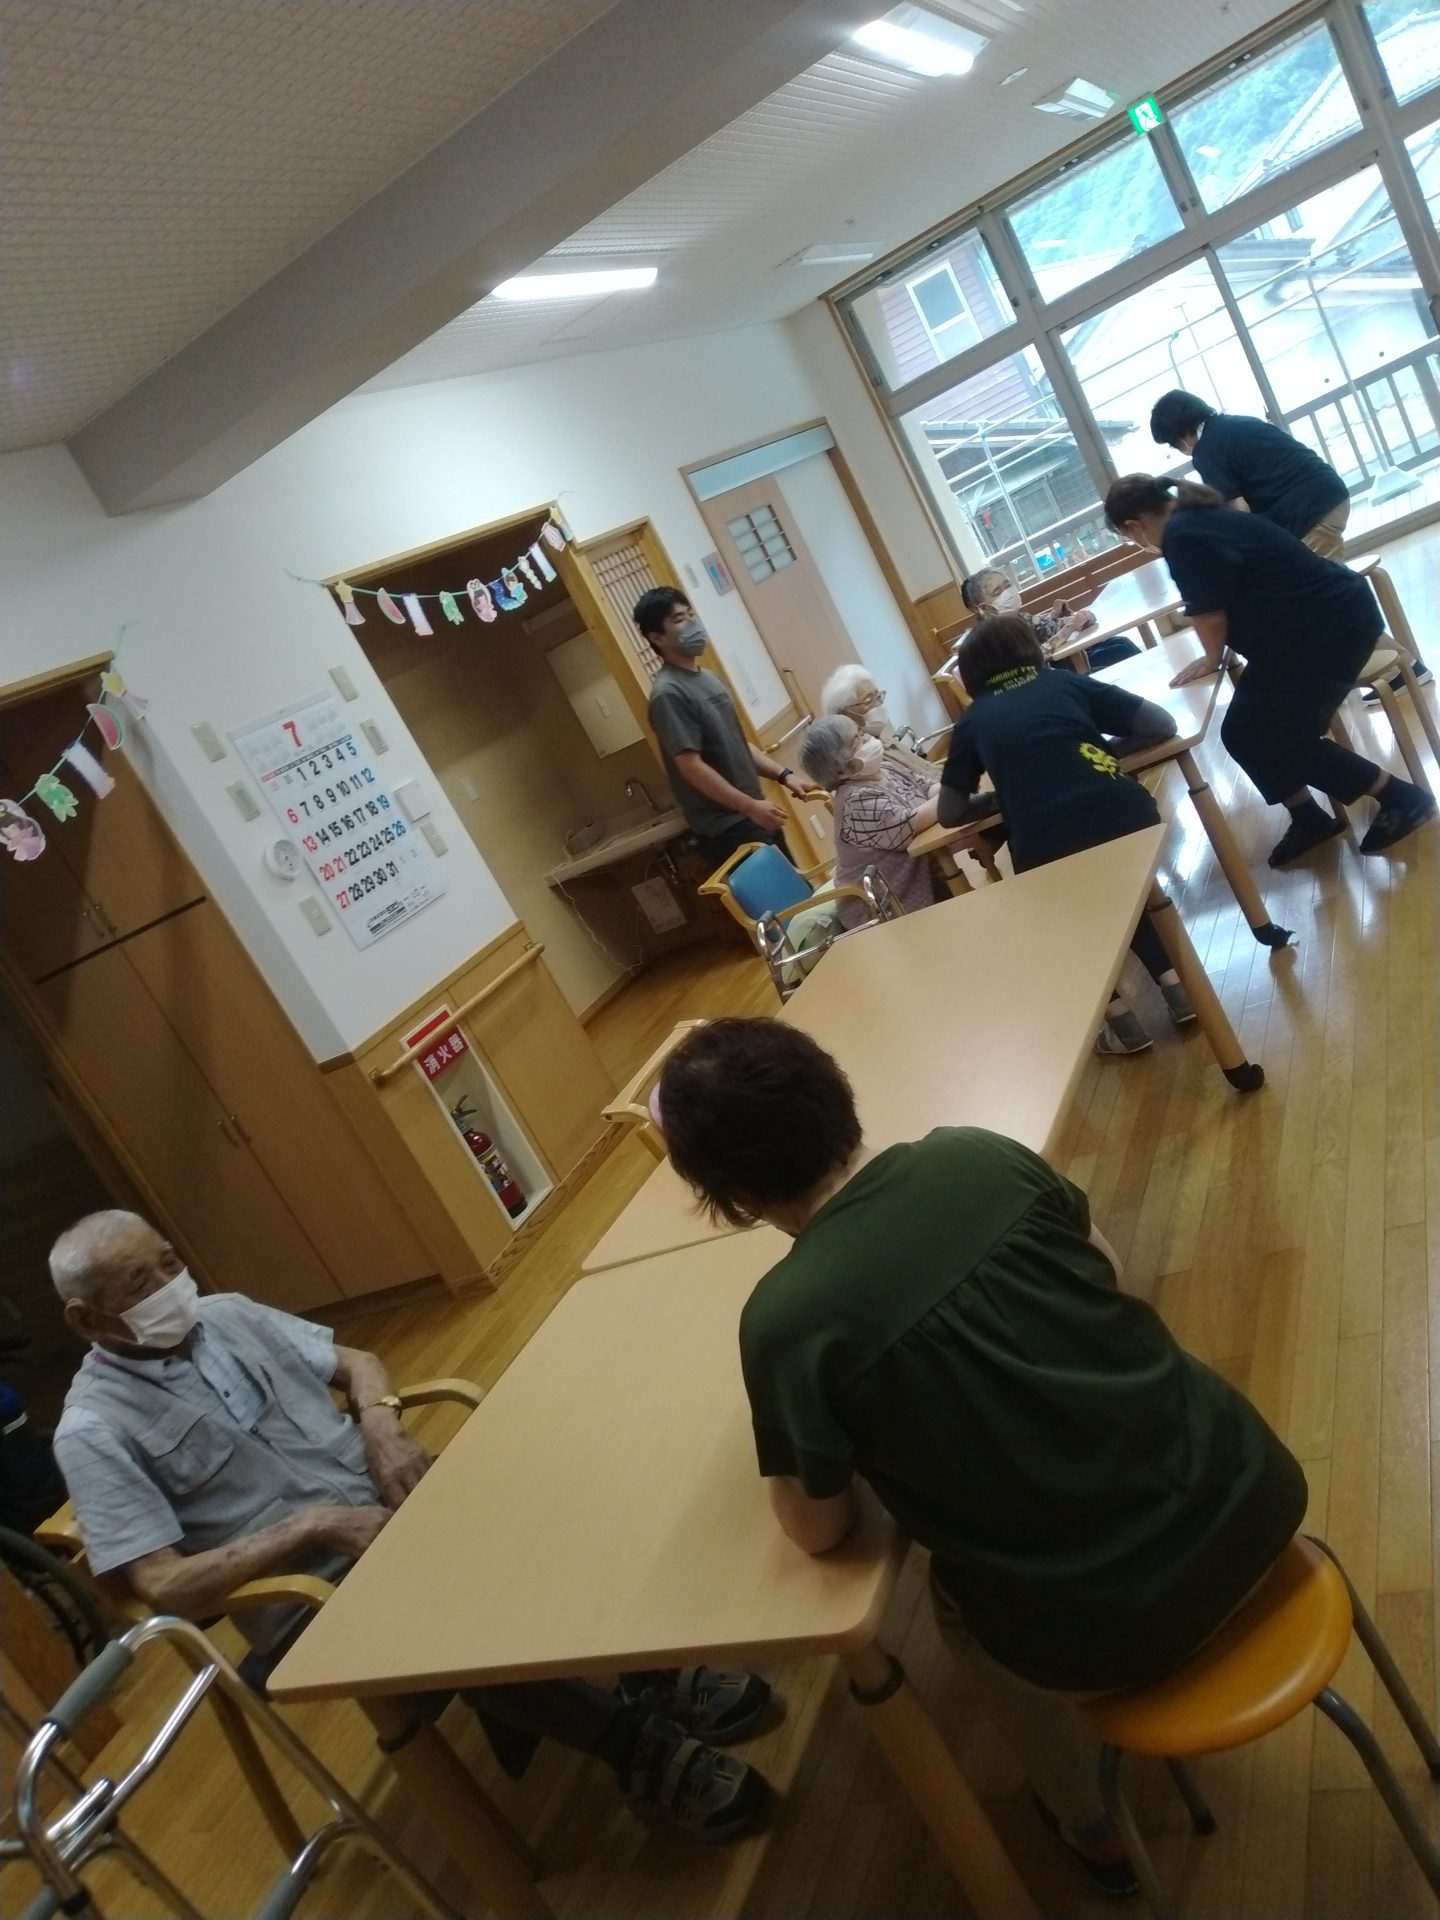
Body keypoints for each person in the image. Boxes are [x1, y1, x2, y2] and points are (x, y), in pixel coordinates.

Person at [655, 1017, 1309, 1900]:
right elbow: (1108, 1273)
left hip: (1118, 1624)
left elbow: (816, 1531)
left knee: (954, 1607)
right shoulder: (976, 1154)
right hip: (1256, 1490)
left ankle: (1094, 1826)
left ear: (732, 1195)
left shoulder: (787, 1322)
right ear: (836, 1090)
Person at [49, 1211, 770, 1842]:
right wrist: (312, 1527)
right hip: (316, 1592)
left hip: (395, 1503)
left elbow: (357, 1362)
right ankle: (635, 1747)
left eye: (170, 1262)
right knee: (447, 1614)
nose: (171, 1285)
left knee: (541, 1485)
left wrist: (380, 1424)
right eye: (140, 1284)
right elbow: (163, 1585)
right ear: (87, 1320)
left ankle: (646, 1668)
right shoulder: (93, 1429)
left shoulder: (228, 1313)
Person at [1103, 474, 1435, 867]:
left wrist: (1211, 659)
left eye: (1130, 538)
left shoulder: (1183, 536)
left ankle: (1400, 797)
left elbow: (1210, 614)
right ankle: (1308, 818)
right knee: (1241, 732)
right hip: (1299, 635)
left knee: (1284, 738)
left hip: (1328, 630)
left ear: (1133, 526)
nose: (1138, 544)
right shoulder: (1197, 517)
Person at [937, 615, 1194, 1055]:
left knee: (1075, 923)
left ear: (971, 672)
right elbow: (1162, 724)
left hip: (1046, 843)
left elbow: (949, 813)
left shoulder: (973, 721)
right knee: (1130, 892)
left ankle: (1123, 1026)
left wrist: (999, 797)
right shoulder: (1064, 682)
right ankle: (1179, 991)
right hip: (1127, 816)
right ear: (1029, 649)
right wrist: (1101, 754)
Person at [635, 587, 819, 868]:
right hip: (727, 827)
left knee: (800, 893)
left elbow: (738, 743)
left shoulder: (709, 678)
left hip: (755, 814)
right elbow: (691, 767)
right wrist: (749, 806)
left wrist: (784, 775)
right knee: (782, 896)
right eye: (680, 619)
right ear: (657, 637)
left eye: (691, 614)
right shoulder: (668, 693)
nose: (692, 623)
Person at [799, 713, 940, 925]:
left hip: (923, 877)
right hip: (884, 909)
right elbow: (909, 825)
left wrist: (944, 794)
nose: (868, 738)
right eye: (858, 740)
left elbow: (927, 785)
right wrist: (950, 796)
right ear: (841, 771)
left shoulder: (885, 769)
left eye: (862, 732)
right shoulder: (855, 801)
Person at [959, 568, 1140, 675]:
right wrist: (1069, 628)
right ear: (983, 608)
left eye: (1007, 585)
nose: (1007, 592)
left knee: (1120, 643)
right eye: (997, 592)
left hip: (1059, 670)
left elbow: (1046, 626)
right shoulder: (992, 637)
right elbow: (1033, 659)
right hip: (1045, 685)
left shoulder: (1018, 618)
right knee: (1120, 652)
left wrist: (1071, 617)